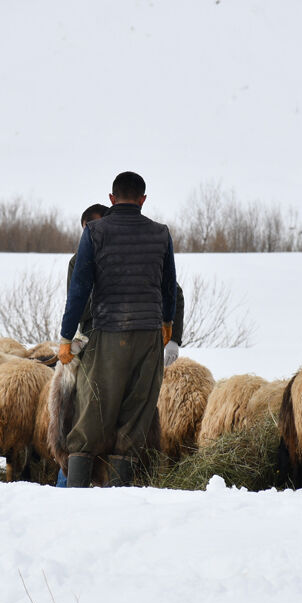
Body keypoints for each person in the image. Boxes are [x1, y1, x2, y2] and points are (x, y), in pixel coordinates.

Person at [58, 171, 177, 487]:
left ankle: (74, 493)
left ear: (112, 199)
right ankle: (120, 496)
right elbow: (169, 286)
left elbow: (79, 287)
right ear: (143, 200)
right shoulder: (161, 233)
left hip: (107, 334)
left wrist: (66, 337)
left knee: (91, 416)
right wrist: (167, 325)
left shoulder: (95, 232)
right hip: (149, 336)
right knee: (134, 421)